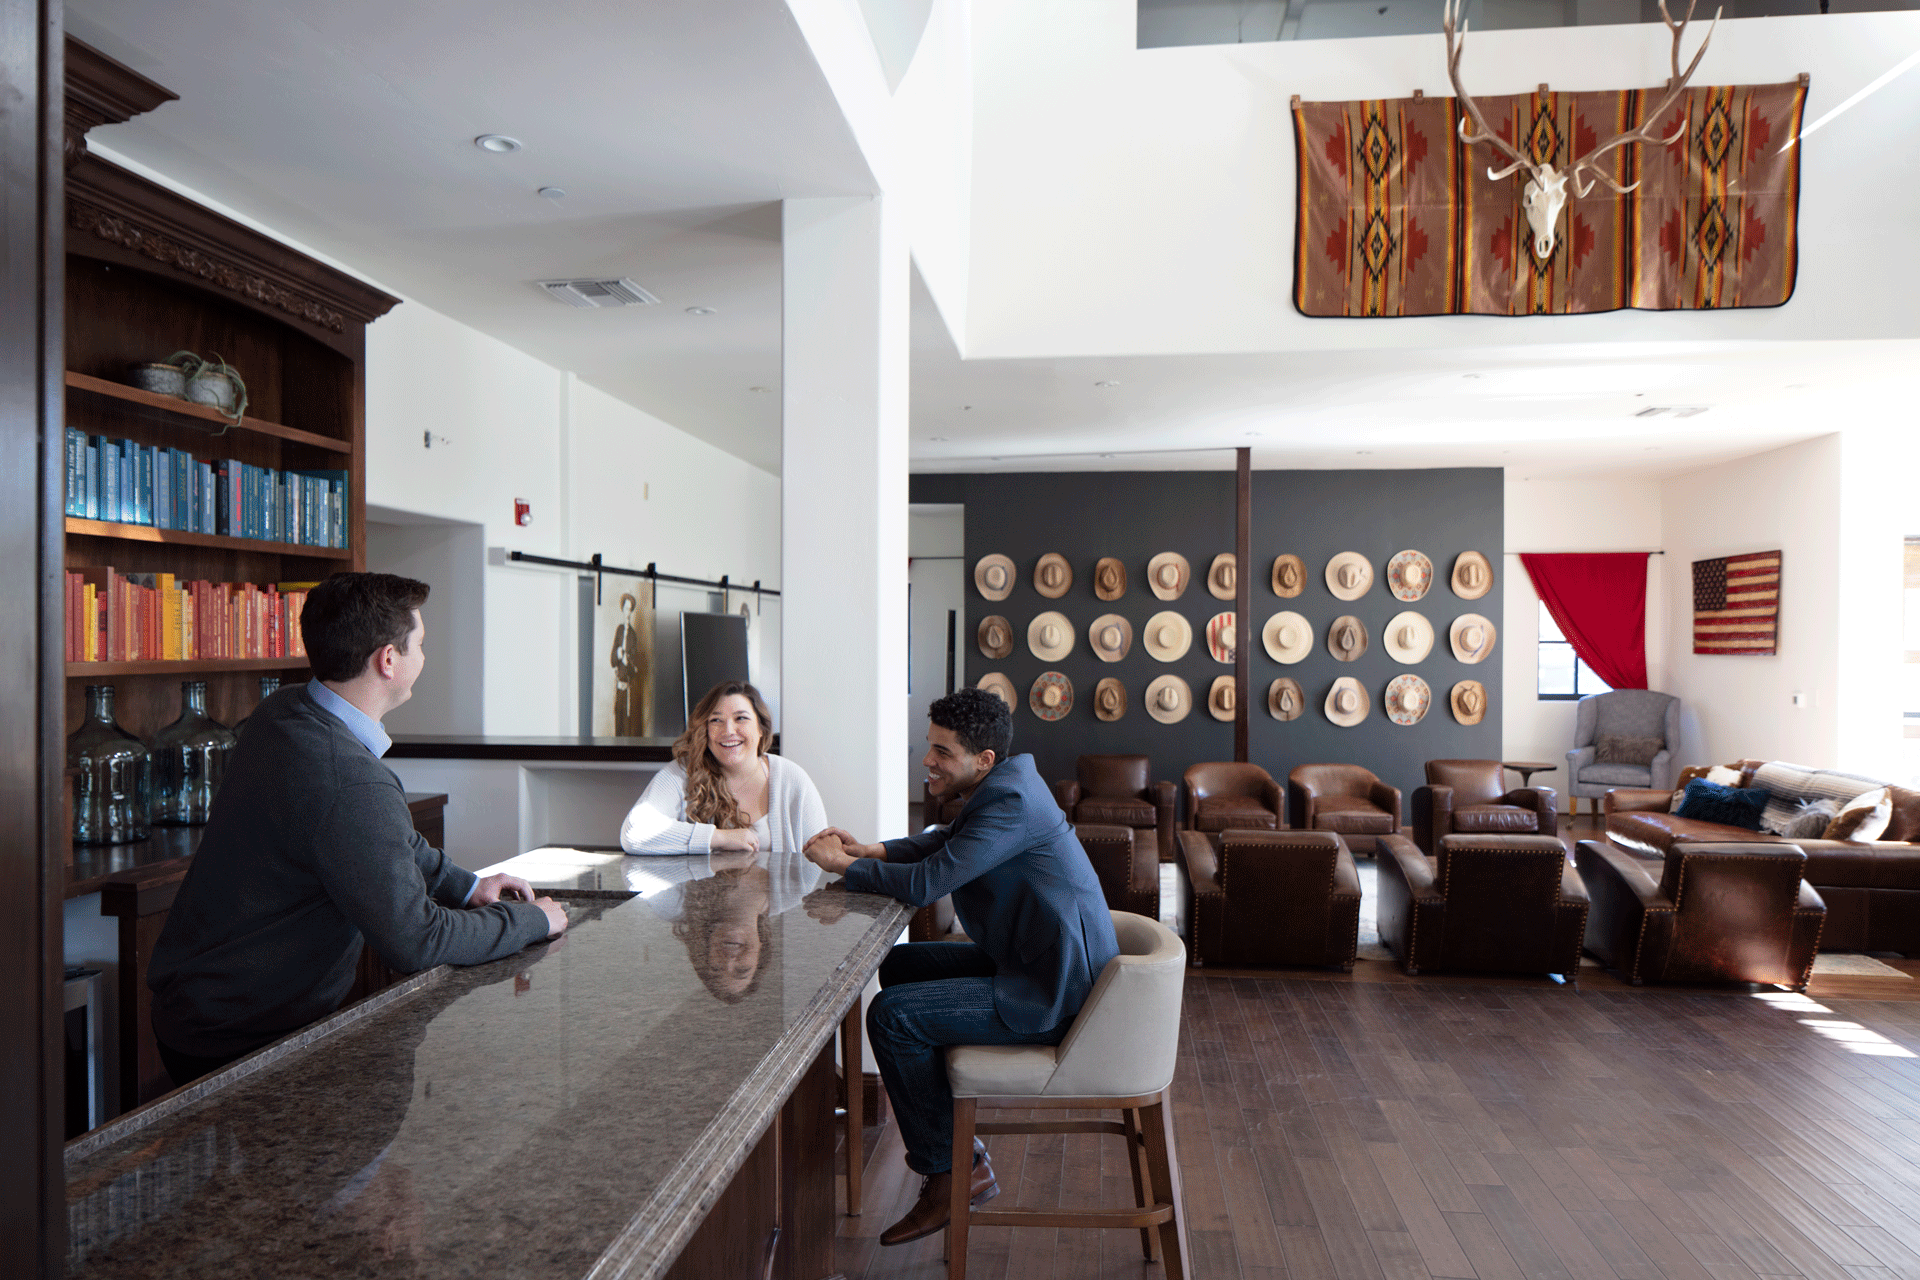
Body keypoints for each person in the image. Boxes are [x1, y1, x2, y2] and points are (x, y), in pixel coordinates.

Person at [147, 572, 568, 1086]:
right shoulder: (349, 778)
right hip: (242, 1034)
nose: (425, 658)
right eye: (421, 645)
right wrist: (532, 922)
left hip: (200, 1003)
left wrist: (468, 886)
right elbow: (418, 940)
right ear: (388, 660)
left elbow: (385, 841)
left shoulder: (284, 710)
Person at [802, 687, 1119, 1245]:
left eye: (942, 752)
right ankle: (955, 1142)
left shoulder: (1012, 801)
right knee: (900, 969)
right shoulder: (1005, 788)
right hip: (1029, 961)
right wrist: (873, 850)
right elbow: (948, 841)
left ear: (983, 760)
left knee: (893, 1016)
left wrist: (845, 866)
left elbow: (929, 882)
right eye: (931, 747)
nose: (928, 760)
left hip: (1054, 992)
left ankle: (950, 1172)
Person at [620, 681, 827, 854]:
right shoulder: (683, 773)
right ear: (706, 730)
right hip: (700, 902)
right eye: (716, 720)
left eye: (741, 718)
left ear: (761, 728)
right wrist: (718, 837)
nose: (728, 731)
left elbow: (820, 857)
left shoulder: (792, 779)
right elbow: (634, 832)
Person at [610, 591, 648, 735]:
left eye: (630, 610)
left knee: (627, 726)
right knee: (617, 724)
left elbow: (635, 668)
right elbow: (612, 661)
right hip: (618, 687)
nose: (628, 613)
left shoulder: (633, 635)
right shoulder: (619, 631)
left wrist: (628, 662)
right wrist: (618, 654)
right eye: (626, 609)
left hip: (629, 690)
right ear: (622, 610)